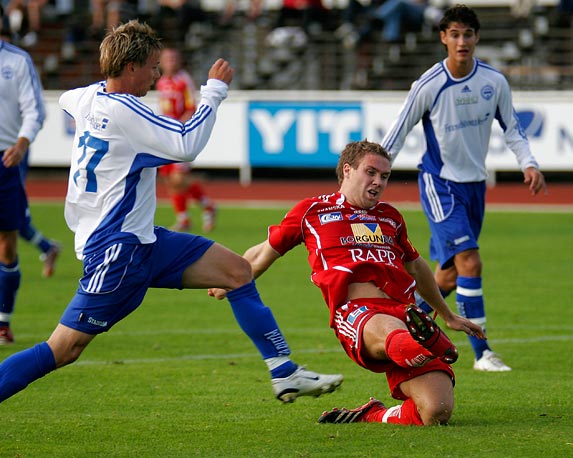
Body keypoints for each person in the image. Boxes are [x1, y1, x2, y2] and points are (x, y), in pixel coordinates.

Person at [0, 19, 343, 403]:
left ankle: (284, 372)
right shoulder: (126, 111)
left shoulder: (85, 99)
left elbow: (67, 98)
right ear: (130, 68)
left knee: (237, 271)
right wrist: (213, 92)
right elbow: (186, 145)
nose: (156, 75)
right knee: (63, 349)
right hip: (118, 252)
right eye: (151, 67)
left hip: (140, 240)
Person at [210, 140, 485, 425]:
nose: (378, 182)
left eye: (385, 176)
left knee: (436, 411)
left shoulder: (389, 217)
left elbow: (415, 266)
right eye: (371, 172)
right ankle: (421, 343)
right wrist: (228, 276)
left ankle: (372, 414)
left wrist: (448, 315)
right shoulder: (312, 211)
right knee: (403, 341)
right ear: (348, 170)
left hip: (404, 312)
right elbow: (263, 251)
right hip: (357, 315)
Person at [380, 5, 546, 372]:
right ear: (443, 38)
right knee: (471, 261)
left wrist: (528, 163)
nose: (461, 41)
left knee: (450, 275)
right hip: (440, 184)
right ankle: (483, 353)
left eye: (467, 34)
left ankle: (407, 323)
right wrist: (374, 172)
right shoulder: (429, 85)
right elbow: (399, 129)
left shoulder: (494, 82)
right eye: (454, 34)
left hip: (474, 187)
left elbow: (513, 128)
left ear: (476, 37)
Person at [0, 2, 46, 344]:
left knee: (7, 245)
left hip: (5, 159)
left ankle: (3, 321)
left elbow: (35, 110)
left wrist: (21, 143)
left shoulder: (17, 61)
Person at [156, 47, 217, 233]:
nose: (171, 62)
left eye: (174, 58)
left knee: (178, 178)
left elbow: (192, 107)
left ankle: (206, 207)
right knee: (168, 179)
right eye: (167, 58)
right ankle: (185, 217)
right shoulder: (161, 82)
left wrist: (179, 127)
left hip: (180, 135)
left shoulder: (184, 81)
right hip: (167, 136)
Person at [18, 152, 61, 278]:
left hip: (10, 155)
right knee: (17, 223)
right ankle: (47, 247)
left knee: (17, 221)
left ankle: (47, 247)